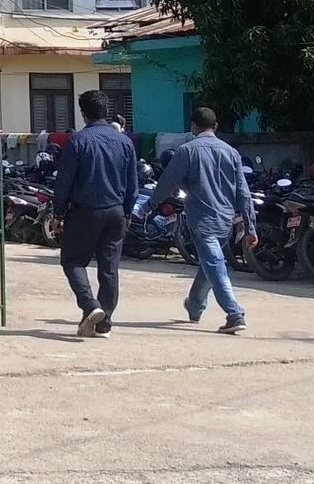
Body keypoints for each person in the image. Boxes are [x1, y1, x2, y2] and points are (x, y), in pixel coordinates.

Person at [138, 106, 256, 334]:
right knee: (210, 263)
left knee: (214, 264)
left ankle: (234, 313)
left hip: (201, 219)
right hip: (225, 220)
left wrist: (147, 207)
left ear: (193, 126)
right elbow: (243, 192)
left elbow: (167, 183)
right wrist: (250, 226)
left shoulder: (186, 151)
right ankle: (194, 305)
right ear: (216, 126)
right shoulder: (231, 152)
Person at [51, 90, 139, 338]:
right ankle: (104, 323)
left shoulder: (78, 141)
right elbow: (133, 183)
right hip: (116, 212)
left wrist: (58, 212)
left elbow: (64, 181)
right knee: (109, 268)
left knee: (73, 260)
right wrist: (128, 212)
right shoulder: (125, 142)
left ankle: (91, 306)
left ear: (83, 113)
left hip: (86, 212)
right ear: (105, 111)